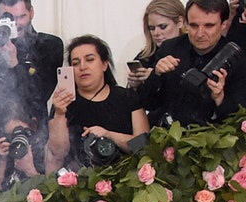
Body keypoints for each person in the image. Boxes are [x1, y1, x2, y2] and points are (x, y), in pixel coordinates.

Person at [45, 37, 151, 171]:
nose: (82, 67)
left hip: (125, 177)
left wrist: (108, 135)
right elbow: (57, 153)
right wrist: (60, 114)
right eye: (76, 63)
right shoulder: (63, 102)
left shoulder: (126, 97)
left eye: (89, 60)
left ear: (104, 64)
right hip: (77, 181)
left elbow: (143, 146)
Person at [140, 0, 246, 128]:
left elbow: (238, 119)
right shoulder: (170, 48)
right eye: (194, 25)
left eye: (209, 26)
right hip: (168, 133)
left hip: (212, 138)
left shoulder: (237, 59)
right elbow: (147, 103)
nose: (200, 33)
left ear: (223, 24)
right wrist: (156, 75)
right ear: (185, 23)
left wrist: (220, 98)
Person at [0, 0, 64, 127]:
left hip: (26, 129)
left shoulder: (48, 45)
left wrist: (14, 63)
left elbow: (39, 97)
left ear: (31, 12)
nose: (16, 24)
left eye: (21, 17)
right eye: (10, 18)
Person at [129, 0, 187, 91]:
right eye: (152, 28)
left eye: (163, 27)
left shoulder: (193, 51)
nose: (156, 33)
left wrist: (154, 76)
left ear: (180, 22)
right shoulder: (145, 57)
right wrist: (134, 85)